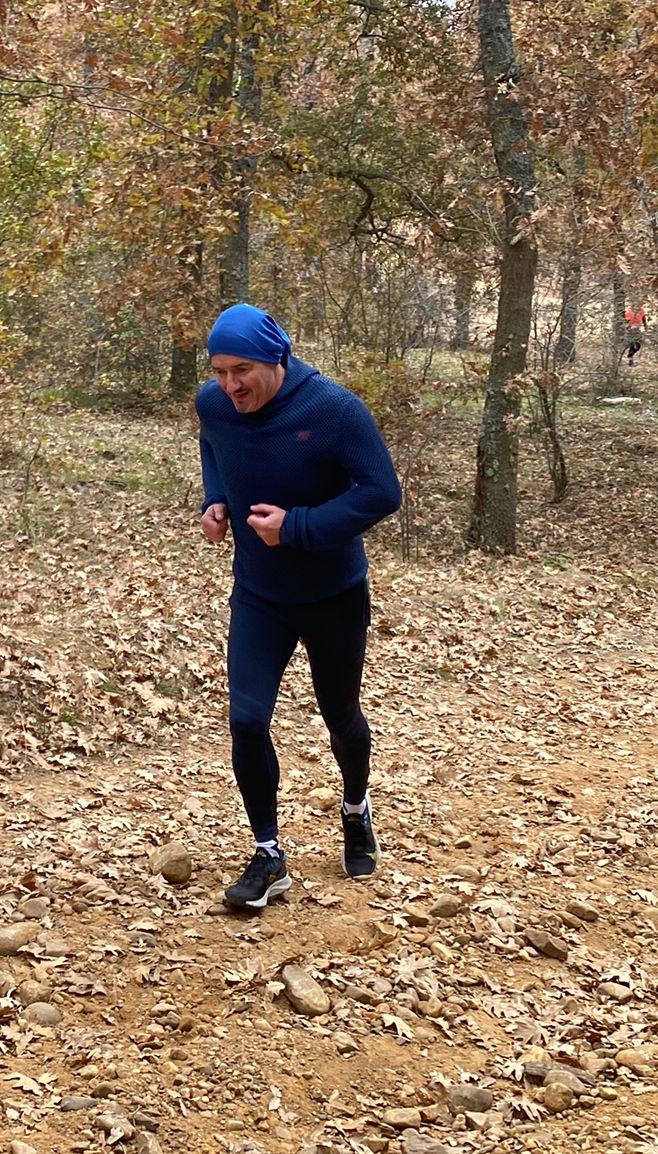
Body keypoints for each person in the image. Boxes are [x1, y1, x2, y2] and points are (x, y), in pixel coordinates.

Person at [195, 304, 402, 912]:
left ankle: (356, 809)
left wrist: (299, 527)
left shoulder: (333, 410)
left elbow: (381, 493)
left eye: (242, 371)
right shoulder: (214, 404)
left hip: (333, 594)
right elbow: (215, 446)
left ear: (277, 360)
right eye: (219, 371)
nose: (230, 386)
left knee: (341, 713)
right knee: (246, 719)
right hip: (260, 594)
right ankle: (268, 854)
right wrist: (216, 500)